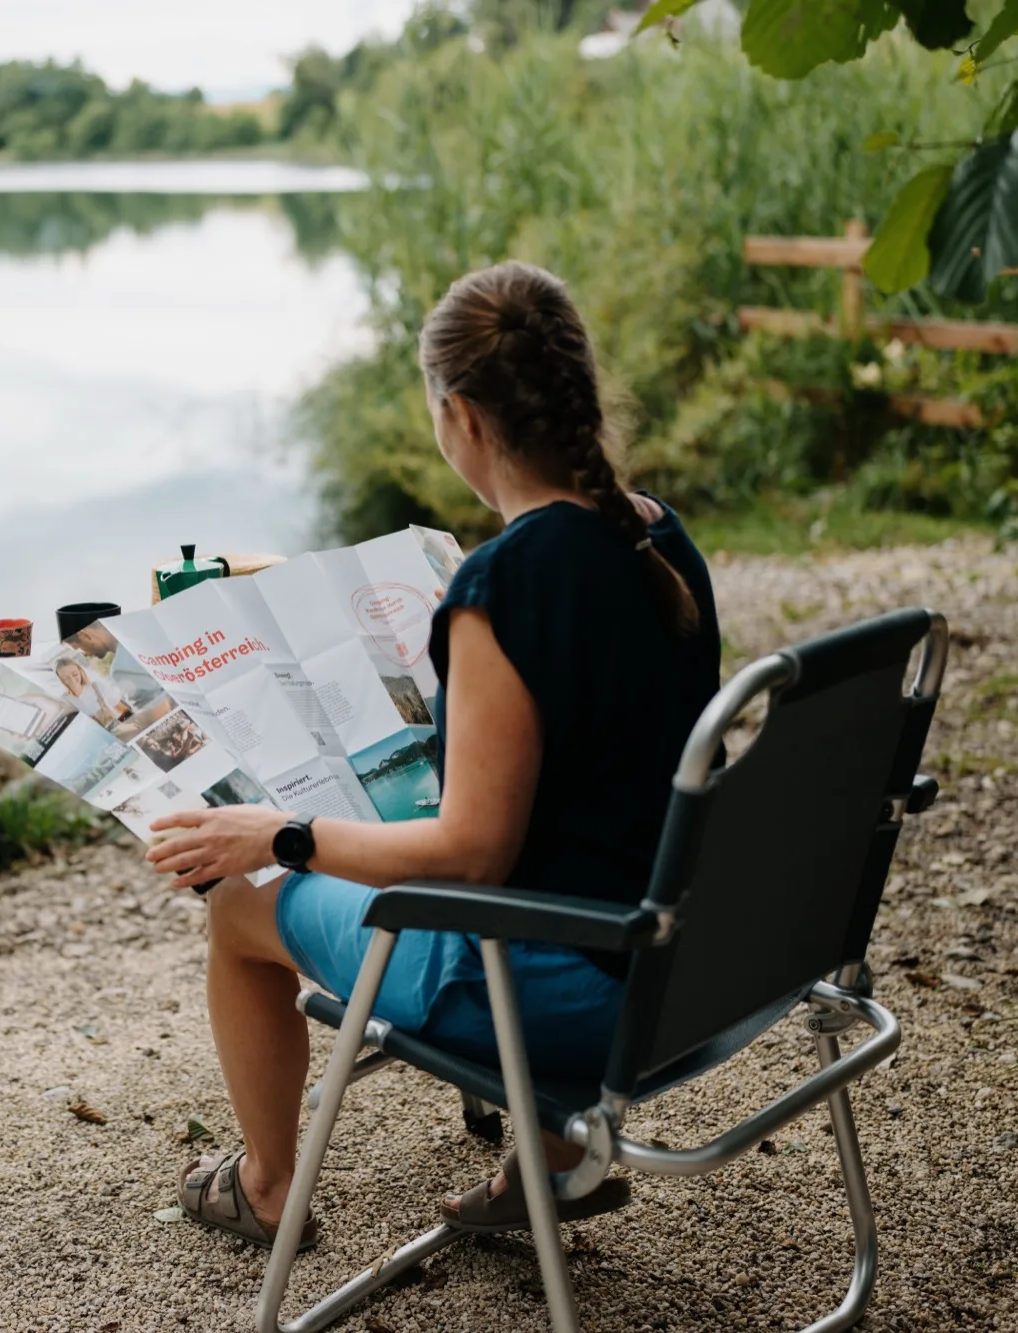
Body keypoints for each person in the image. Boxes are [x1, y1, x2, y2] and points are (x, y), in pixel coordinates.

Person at [144, 261, 722, 1248]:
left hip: (581, 993)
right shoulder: (653, 534)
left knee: (239, 901)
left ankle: (266, 1186)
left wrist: (278, 835)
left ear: (457, 415)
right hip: (690, 957)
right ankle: (551, 1162)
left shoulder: (502, 589)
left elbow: (469, 858)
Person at [55, 654, 129, 729]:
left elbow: (119, 707)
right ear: (60, 679)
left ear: (80, 671)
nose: (72, 680)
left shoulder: (96, 687)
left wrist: (131, 723)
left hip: (119, 729)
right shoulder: (65, 702)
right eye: (66, 678)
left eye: (75, 674)